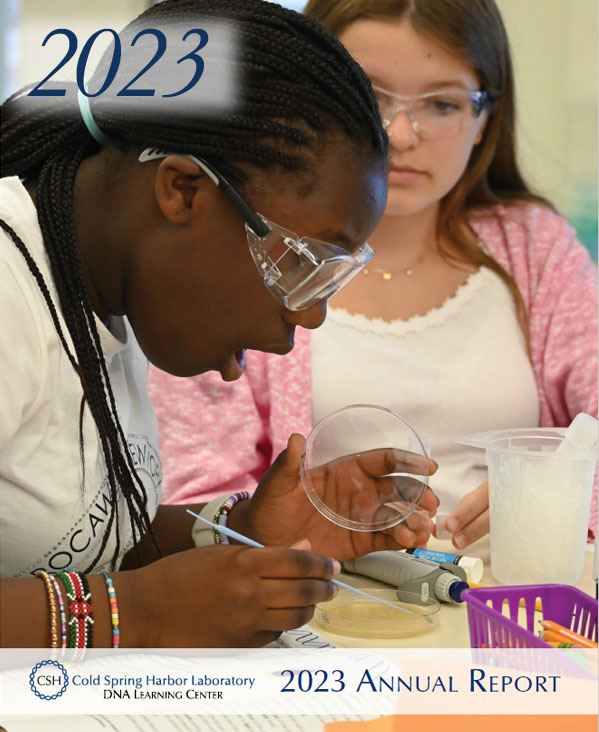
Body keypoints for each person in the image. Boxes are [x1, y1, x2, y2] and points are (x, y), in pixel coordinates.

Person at [0, 0, 439, 649]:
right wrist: (133, 615)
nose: (308, 314)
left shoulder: (105, 290)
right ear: (181, 191)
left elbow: (73, 547)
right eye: (299, 263)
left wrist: (240, 529)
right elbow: (110, 595)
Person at [147, 0, 598, 548]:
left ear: (484, 121)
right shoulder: (240, 246)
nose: (403, 134)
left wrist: (550, 497)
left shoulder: (536, 248)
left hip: (509, 608)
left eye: (441, 104)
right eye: (371, 96)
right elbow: (196, 500)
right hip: (316, 615)